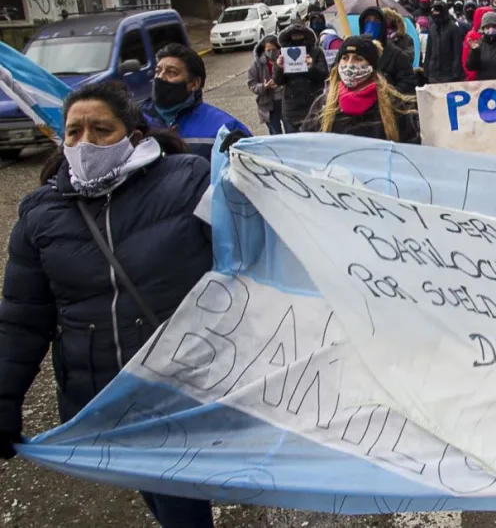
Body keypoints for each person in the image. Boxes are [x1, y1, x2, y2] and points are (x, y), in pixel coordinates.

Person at [0, 82, 215, 528]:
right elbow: (22, 318)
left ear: (133, 136)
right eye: (74, 132)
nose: (85, 142)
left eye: (101, 130)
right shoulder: (39, 213)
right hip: (105, 394)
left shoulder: (188, 179)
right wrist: (4, 398)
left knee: (178, 498)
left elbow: (246, 254)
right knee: (158, 490)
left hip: (183, 384)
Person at [140, 43, 251, 159]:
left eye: (171, 72)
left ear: (194, 84)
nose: (160, 77)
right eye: (158, 71)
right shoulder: (135, 121)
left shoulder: (225, 128)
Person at [303, 35, 420, 144]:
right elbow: (306, 146)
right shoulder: (324, 105)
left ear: (371, 66)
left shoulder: (394, 105)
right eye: (345, 58)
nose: (349, 64)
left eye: (358, 59)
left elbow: (409, 147)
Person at [274, 23, 329, 133]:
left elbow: (324, 75)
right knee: (293, 141)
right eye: (293, 36)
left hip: (313, 106)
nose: (297, 38)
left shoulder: (316, 52)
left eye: (300, 35)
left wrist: (312, 67)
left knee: (315, 140)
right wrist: (279, 68)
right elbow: (278, 81)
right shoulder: (283, 54)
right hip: (291, 108)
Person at [357, 7, 417, 95]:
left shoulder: (396, 53)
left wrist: (389, 95)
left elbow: (408, 82)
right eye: (367, 21)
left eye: (376, 21)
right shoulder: (356, 50)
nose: (371, 24)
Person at [247, 34, 284, 135]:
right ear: (264, 50)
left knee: (291, 133)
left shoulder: (285, 60)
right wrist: (264, 86)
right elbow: (251, 83)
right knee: (275, 134)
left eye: (274, 49)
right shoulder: (258, 64)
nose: (271, 52)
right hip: (268, 104)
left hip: (285, 101)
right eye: (268, 50)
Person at [425, 0, 466, 85]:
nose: (435, 13)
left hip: (448, 74)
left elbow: (457, 52)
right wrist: (426, 70)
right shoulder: (432, 28)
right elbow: (428, 51)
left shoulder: (453, 28)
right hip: (433, 74)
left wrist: (455, 73)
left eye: (438, 10)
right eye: (434, 10)